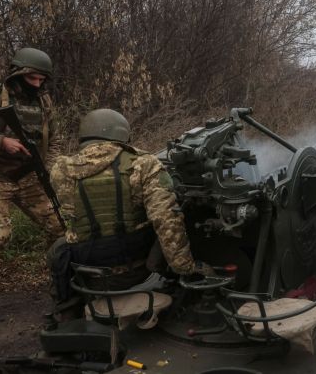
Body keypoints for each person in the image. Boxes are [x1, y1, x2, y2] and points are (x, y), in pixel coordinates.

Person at [48, 108, 211, 314]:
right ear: (121, 133)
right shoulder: (143, 164)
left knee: (60, 246)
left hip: (86, 272)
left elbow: (75, 217)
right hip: (135, 271)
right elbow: (167, 221)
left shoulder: (60, 170)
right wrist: (186, 268)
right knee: (171, 221)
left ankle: (67, 305)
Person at [0, 48, 64, 319]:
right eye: (32, 78)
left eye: (42, 79)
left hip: (28, 176)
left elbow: (55, 138)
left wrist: (48, 167)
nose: (38, 84)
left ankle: (60, 280)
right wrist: (0, 142)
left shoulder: (44, 101)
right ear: (18, 74)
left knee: (60, 226)